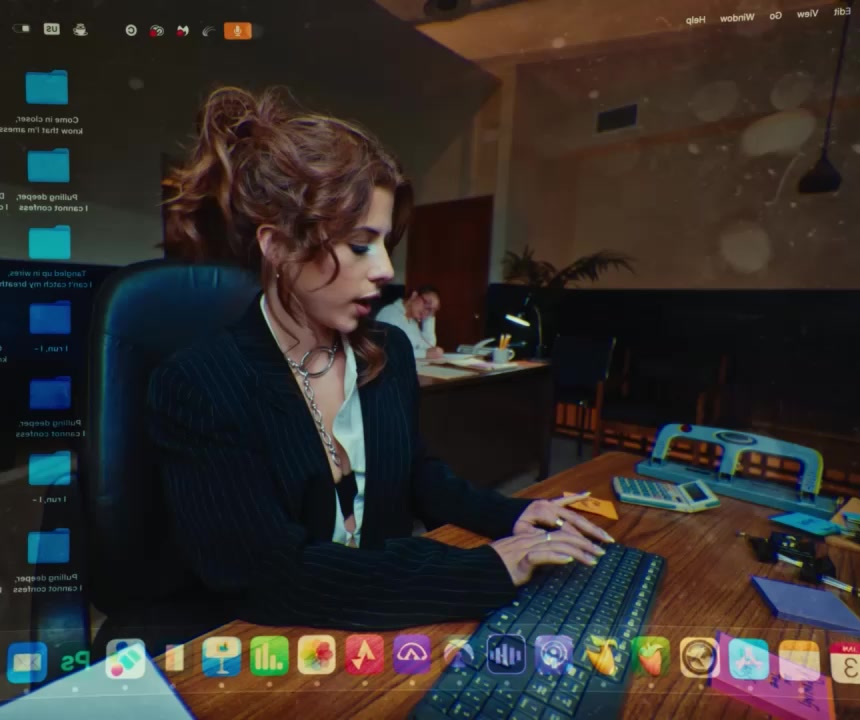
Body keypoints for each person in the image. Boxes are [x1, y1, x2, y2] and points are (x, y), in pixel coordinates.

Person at [150, 86, 611, 630]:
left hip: (383, 631)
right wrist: (484, 570)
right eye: (360, 243)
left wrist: (514, 514)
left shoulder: (387, 353)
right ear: (278, 247)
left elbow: (418, 475)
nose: (387, 269)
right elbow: (269, 576)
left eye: (386, 243)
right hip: (267, 642)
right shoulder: (199, 383)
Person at [376, 286, 444, 360]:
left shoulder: (412, 321)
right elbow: (392, 351)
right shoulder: (389, 314)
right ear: (414, 295)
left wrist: (429, 318)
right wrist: (424, 354)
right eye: (427, 304)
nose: (427, 312)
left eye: (433, 310)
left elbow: (430, 346)